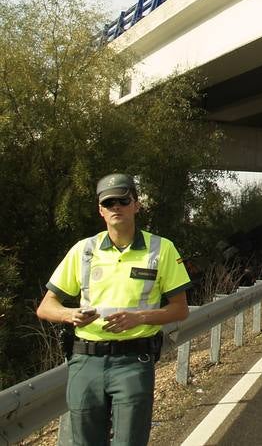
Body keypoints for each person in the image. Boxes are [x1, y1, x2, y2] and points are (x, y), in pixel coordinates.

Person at [37, 173, 191, 446]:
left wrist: (139, 318)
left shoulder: (162, 249)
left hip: (134, 362)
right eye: (109, 203)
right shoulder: (83, 250)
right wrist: (69, 315)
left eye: (123, 200)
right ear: (101, 211)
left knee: (130, 441)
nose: (116, 207)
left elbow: (180, 309)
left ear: (136, 204)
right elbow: (46, 307)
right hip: (85, 362)